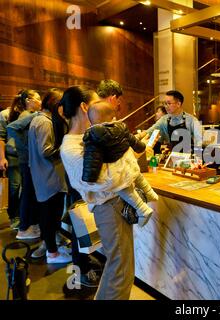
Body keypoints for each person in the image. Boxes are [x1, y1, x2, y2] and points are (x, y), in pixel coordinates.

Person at [60, 85, 148, 300]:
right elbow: (103, 180)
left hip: (115, 206)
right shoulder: (71, 147)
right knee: (120, 269)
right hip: (108, 208)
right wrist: (128, 154)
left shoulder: (93, 136)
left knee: (121, 266)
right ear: (84, 107)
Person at [82, 100, 158, 226]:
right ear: (113, 117)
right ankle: (150, 193)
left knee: (122, 188)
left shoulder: (93, 136)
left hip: (117, 172)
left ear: (91, 121)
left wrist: (89, 178)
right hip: (130, 164)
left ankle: (142, 209)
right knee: (138, 176)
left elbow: (92, 160)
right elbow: (136, 144)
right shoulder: (122, 128)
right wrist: (142, 147)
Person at [28, 88, 71, 264]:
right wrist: (67, 145)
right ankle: (52, 253)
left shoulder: (38, 120)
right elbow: (46, 151)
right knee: (49, 215)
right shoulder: (44, 122)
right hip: (49, 177)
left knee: (48, 215)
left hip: (44, 176)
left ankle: (51, 246)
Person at [0, 89, 41, 230]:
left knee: (26, 190)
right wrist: (3, 157)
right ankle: (19, 221)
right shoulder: (18, 115)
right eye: (37, 98)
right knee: (20, 189)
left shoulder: (29, 115)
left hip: (24, 158)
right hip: (18, 158)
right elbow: (6, 133)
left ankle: (25, 220)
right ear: (28, 100)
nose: (40, 101)